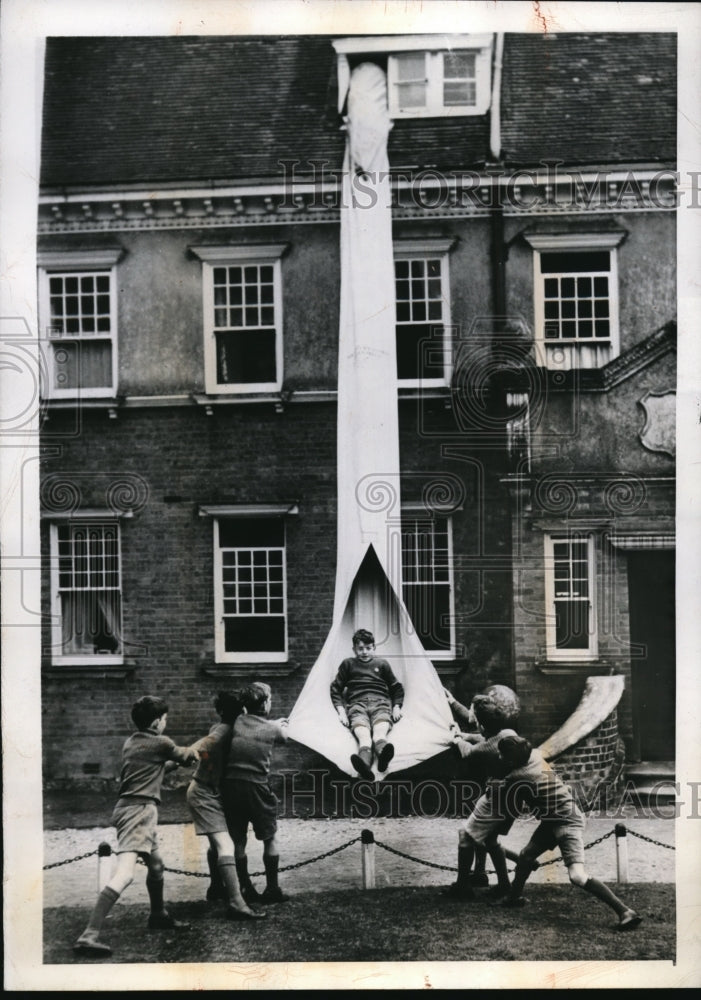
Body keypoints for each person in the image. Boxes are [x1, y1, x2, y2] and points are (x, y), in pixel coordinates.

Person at [73, 695, 199, 956]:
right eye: (164, 720)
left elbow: (159, 765)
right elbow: (183, 756)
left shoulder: (133, 742)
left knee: (156, 865)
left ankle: (158, 915)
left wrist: (174, 761)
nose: (166, 724)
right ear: (156, 723)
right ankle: (89, 934)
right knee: (126, 873)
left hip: (131, 808)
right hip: (139, 812)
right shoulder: (161, 742)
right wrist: (196, 752)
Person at [495, 734, 642, 931]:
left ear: (513, 760)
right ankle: (514, 898)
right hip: (553, 819)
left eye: (502, 755)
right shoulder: (535, 756)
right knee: (526, 856)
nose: (499, 758)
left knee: (577, 876)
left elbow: (499, 793)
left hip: (566, 821)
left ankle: (625, 911)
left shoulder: (517, 777)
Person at [186, 690, 266, 921]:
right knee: (226, 845)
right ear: (242, 711)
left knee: (217, 843)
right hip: (204, 792)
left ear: (220, 711)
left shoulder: (228, 728)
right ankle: (236, 902)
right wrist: (176, 758)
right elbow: (203, 747)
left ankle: (217, 888)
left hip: (213, 792)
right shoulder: (223, 731)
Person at [442, 687, 522, 902]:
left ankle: (462, 887)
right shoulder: (507, 734)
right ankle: (504, 885)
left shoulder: (487, 747)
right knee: (490, 840)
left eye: (474, 718)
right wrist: (465, 732)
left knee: (465, 837)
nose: (472, 719)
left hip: (497, 798)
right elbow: (483, 737)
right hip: (512, 799)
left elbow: (469, 751)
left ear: (482, 723)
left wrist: (456, 739)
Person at [221, 682, 290, 905]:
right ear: (265, 703)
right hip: (257, 787)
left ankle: (244, 886)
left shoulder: (239, 721)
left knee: (238, 840)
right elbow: (284, 736)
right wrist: (278, 724)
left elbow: (254, 725)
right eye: (269, 699)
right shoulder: (274, 729)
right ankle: (272, 889)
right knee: (269, 837)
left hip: (232, 786)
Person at [330, 627, 404, 780]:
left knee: (379, 732)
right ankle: (364, 768)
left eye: (368, 648)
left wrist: (396, 707)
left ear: (374, 647)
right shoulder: (348, 664)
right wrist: (341, 711)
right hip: (357, 705)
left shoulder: (382, 664)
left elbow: (396, 688)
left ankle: (383, 759)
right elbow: (335, 688)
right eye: (360, 648)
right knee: (364, 736)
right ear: (354, 649)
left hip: (380, 703)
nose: (364, 652)